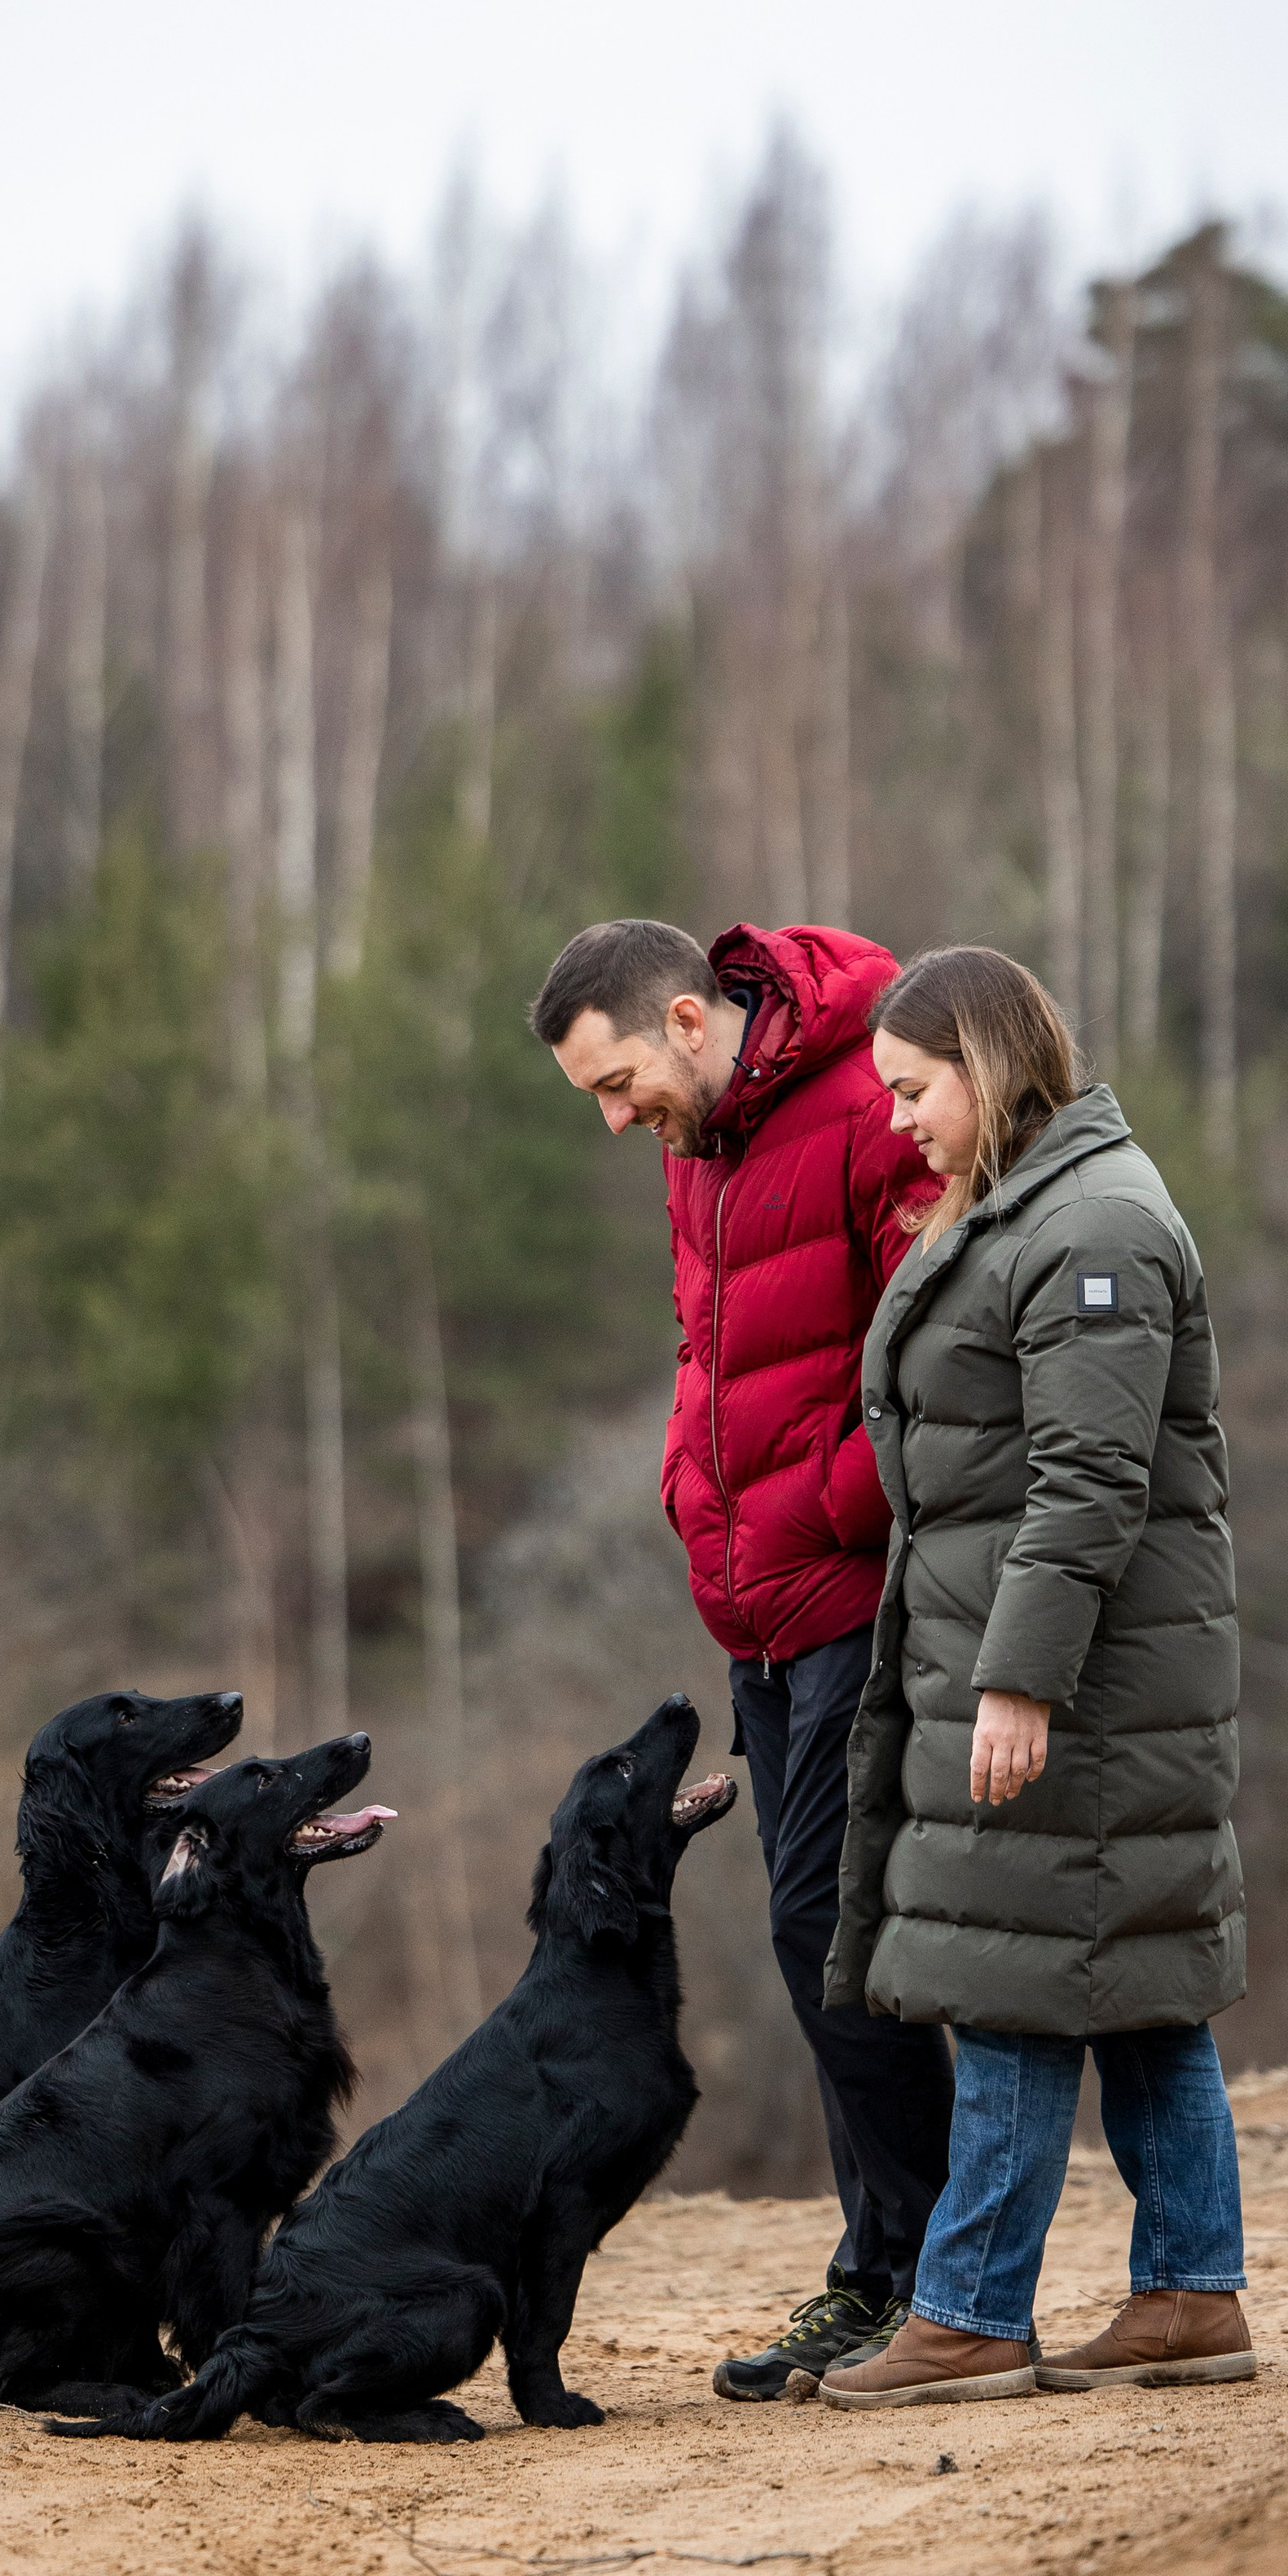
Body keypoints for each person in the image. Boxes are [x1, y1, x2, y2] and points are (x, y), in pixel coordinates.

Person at [817, 944, 1255, 2406]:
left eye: (912, 1090)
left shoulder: (1094, 1228)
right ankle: (1190, 2297)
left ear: (987, 1068)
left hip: (1081, 1687)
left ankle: (971, 2312)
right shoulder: (1026, 1208)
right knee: (1133, 1980)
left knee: (1006, 1970)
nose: (899, 1122)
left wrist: (1019, 1684)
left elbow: (1089, 1482)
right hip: (1051, 1665)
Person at [530, 916, 956, 2402]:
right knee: (818, 1935)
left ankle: (924, 2283)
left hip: (852, 1588)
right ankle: (894, 2272)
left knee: (830, 1927)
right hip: (756, 1606)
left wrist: (825, 1508)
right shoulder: (697, 1142)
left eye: (618, 1082)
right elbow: (707, 1349)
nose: (613, 1117)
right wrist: (691, 1491)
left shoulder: (867, 1104)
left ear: (689, 1022)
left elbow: (940, 1351)